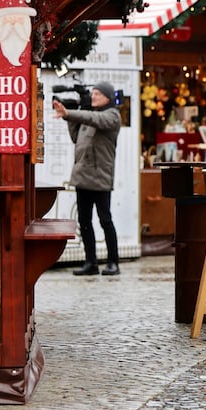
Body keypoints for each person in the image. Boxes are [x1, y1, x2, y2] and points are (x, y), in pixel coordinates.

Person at [53, 81, 123, 276]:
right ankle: (90, 262)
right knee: (84, 220)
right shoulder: (88, 115)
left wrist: (70, 113)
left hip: (100, 176)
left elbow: (94, 119)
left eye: (98, 94)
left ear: (108, 97)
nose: (93, 97)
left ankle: (113, 262)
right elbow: (76, 137)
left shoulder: (112, 115)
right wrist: (71, 115)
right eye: (92, 94)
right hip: (82, 175)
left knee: (105, 219)